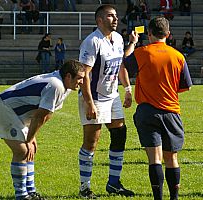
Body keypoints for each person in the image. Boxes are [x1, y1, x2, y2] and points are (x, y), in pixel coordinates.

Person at [0, 60, 85, 200]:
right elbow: (39, 117)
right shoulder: (56, 85)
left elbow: (45, 116)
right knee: (22, 151)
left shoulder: (65, 86)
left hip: (17, 114)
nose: (82, 82)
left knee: (30, 151)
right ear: (68, 76)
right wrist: (29, 139)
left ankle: (31, 192)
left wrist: (31, 136)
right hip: (5, 110)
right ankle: (22, 195)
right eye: (79, 78)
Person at [122, 16, 193, 200]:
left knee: (154, 159)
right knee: (172, 158)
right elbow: (186, 86)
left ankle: (158, 198)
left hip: (147, 111)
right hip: (171, 112)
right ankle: (174, 198)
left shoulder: (142, 52)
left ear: (149, 34)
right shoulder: (178, 56)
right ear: (168, 34)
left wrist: (132, 42)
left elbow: (125, 63)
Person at [77, 5, 135, 199]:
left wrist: (127, 89)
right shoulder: (92, 41)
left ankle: (114, 183)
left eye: (116, 16)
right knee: (91, 142)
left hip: (112, 96)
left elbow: (121, 66)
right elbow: (84, 75)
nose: (115, 19)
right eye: (110, 16)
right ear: (99, 20)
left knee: (120, 135)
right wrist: (90, 103)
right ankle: (85, 188)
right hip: (95, 98)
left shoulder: (118, 38)